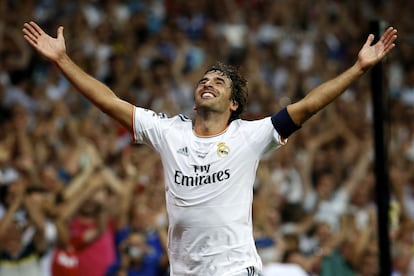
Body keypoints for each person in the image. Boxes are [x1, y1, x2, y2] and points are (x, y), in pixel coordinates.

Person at [22, 21, 397, 276]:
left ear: (234, 104)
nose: (208, 82)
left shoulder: (249, 136)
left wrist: (359, 69)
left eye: (219, 81)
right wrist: (62, 60)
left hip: (233, 269)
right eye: (204, 79)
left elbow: (309, 105)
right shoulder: (169, 131)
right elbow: (109, 101)